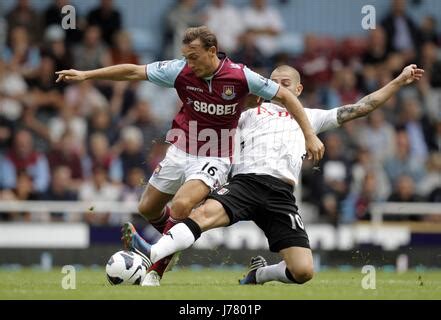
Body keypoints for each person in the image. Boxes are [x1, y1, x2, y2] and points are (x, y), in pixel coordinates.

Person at [55, 26, 324, 285]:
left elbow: (286, 98)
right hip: (182, 147)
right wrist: (86, 75)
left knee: (182, 206)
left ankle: (156, 265)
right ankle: (173, 244)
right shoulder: (179, 71)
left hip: (215, 153)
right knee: (147, 208)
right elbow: (133, 72)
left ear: (212, 51)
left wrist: (310, 134)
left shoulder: (241, 76)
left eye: (194, 57)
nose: (189, 63)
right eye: (186, 57)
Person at [121, 64, 424, 286]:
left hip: (281, 195)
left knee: (303, 271)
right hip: (245, 183)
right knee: (201, 215)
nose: (279, 87)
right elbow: (211, 118)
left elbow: (360, 107)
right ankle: (151, 252)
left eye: (286, 83)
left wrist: (398, 81)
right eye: (274, 82)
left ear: (298, 89)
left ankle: (261, 274)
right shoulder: (247, 114)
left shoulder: (311, 118)